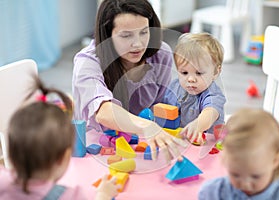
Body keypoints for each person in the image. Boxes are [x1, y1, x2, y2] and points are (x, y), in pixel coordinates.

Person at [72, 0, 185, 160]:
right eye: (126, 35)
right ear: (107, 34)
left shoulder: (161, 54)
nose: (138, 44)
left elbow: (159, 106)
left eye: (144, 32)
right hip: (94, 147)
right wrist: (147, 127)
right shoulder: (88, 63)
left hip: (139, 142)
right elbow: (103, 112)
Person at [0, 77, 120, 200]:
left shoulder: (2, 182)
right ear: (64, 157)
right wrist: (103, 195)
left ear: (10, 153)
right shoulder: (70, 196)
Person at [198, 108, 279, 199]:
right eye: (236, 175)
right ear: (224, 160)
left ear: (275, 161)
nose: (245, 184)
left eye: (255, 176)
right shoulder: (213, 193)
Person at [163, 33, 226, 145]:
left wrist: (198, 125)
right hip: (182, 141)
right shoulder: (174, 87)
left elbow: (210, 112)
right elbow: (164, 108)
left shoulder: (213, 95)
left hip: (207, 144)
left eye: (199, 73)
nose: (191, 79)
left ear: (216, 72)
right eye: (184, 73)